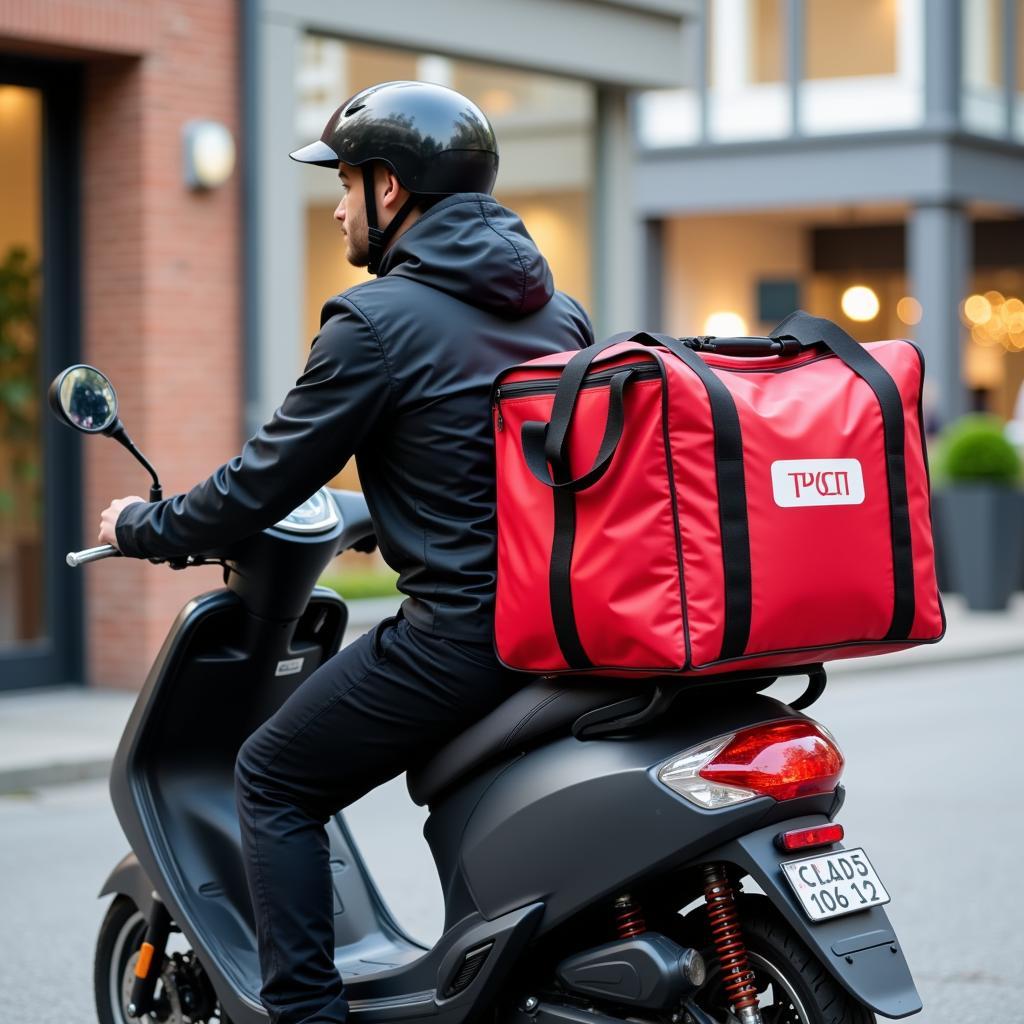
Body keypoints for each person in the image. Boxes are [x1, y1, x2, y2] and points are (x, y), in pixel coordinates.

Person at [97, 80, 594, 1024]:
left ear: (392, 190)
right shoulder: (555, 312)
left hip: (461, 638)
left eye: (345, 181)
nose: (335, 205)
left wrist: (142, 528)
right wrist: (376, 509)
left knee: (273, 775)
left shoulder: (373, 324)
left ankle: (306, 1014)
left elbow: (260, 484)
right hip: (557, 625)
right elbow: (490, 466)